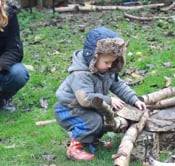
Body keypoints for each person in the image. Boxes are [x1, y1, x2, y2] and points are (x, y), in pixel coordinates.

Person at [54, 27, 146, 161]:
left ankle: (91, 140)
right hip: (69, 108)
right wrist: (109, 100)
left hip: (89, 105)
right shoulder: (81, 75)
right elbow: (85, 99)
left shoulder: (105, 71)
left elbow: (118, 85)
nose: (110, 66)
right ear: (93, 57)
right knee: (93, 121)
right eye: (106, 62)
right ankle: (75, 148)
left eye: (113, 62)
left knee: (101, 119)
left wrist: (134, 99)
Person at [0, 0, 30, 112]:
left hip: (2, 67)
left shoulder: (9, 14)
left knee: (19, 73)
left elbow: (14, 49)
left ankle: (3, 98)